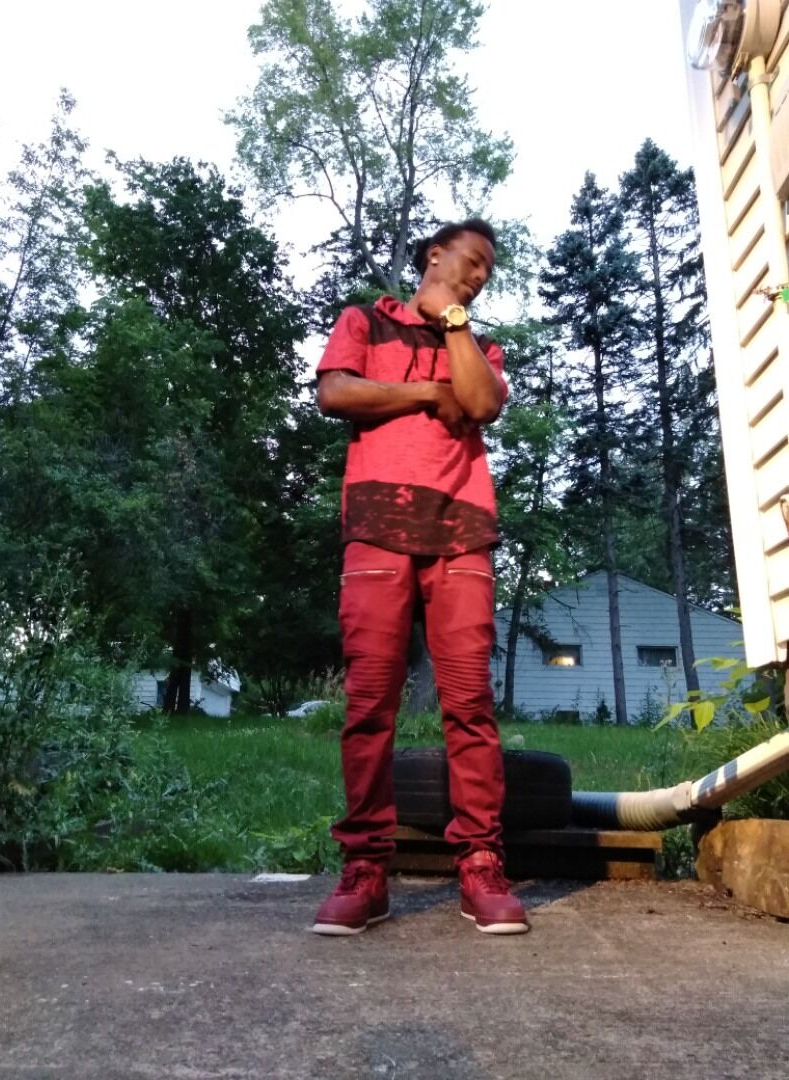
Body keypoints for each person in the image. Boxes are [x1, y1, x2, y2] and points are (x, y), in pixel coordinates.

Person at [312, 219, 528, 937]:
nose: (479, 275)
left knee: (469, 704)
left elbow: (482, 404)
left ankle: (481, 865)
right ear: (435, 254)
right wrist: (426, 394)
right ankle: (366, 871)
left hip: (462, 530)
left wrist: (454, 322)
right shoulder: (365, 322)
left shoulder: (480, 346)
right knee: (369, 703)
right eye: (471, 261)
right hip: (377, 524)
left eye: (488, 271)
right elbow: (336, 393)